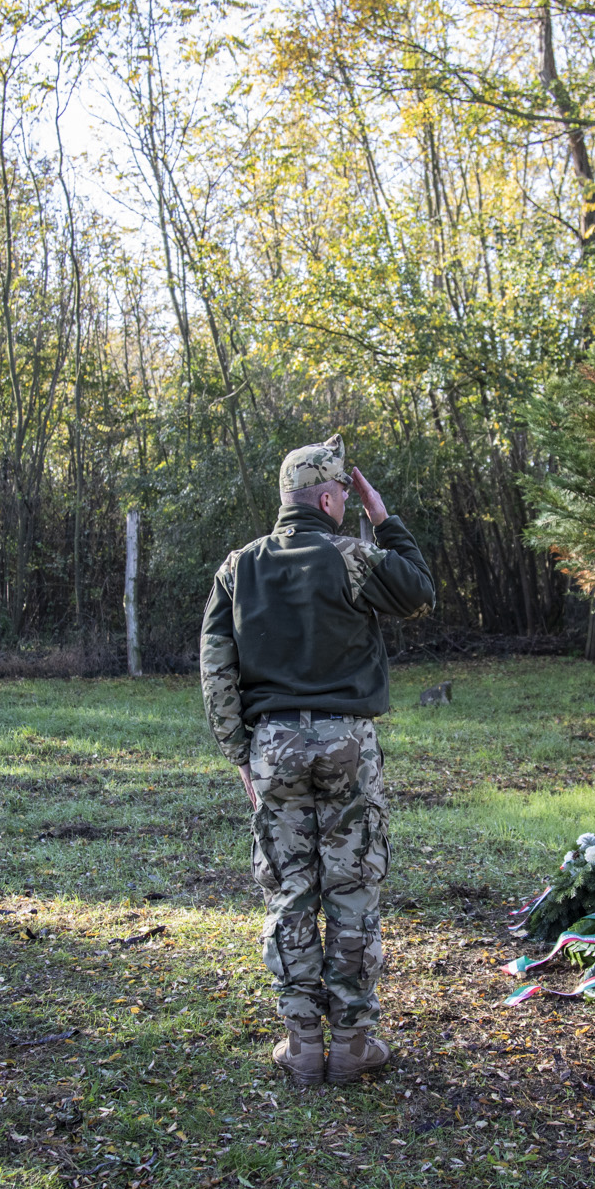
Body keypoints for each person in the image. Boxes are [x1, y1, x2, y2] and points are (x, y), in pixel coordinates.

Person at [200, 436, 436, 1087]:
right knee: (352, 886)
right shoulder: (355, 555)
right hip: (346, 743)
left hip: (273, 744)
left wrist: (238, 752)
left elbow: (215, 667)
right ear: (331, 497)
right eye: (342, 498)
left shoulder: (238, 566)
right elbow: (419, 594)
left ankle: (303, 1043)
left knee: (290, 889)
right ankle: (354, 1041)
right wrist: (385, 520)